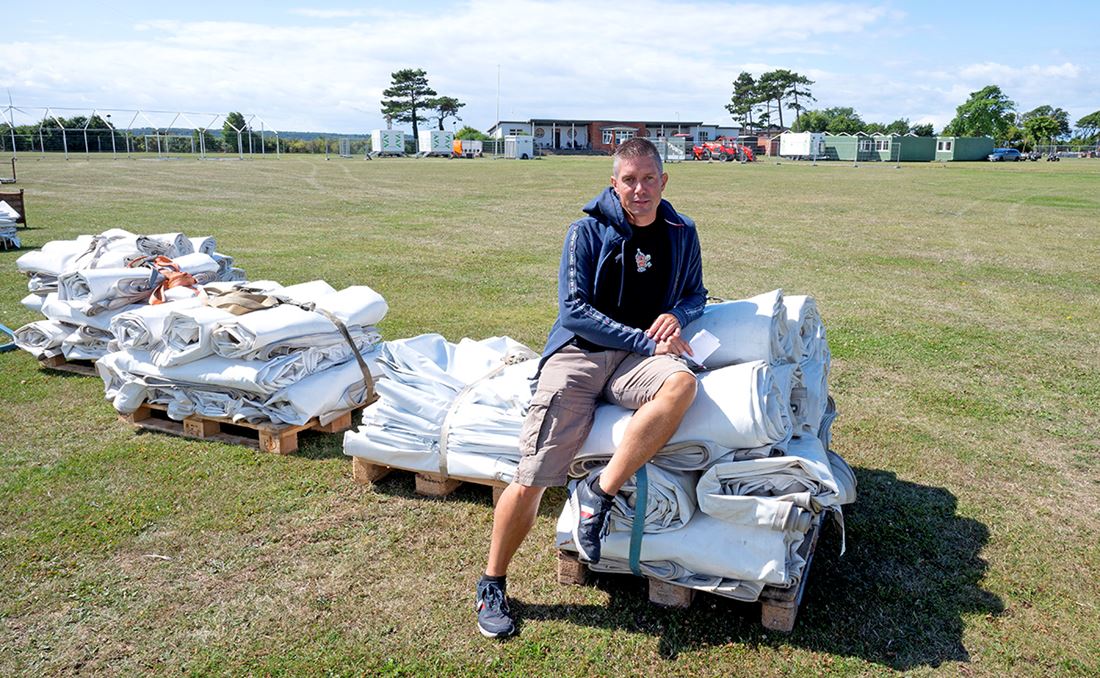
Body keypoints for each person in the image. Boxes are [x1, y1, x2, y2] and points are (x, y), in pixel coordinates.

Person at [476, 138, 707, 638]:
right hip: (580, 354)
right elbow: (574, 311)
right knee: (535, 474)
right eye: (630, 180)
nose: (640, 189)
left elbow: (696, 293)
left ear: (664, 181)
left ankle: (599, 493)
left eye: (650, 179)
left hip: (636, 358)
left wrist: (677, 315)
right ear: (614, 182)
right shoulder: (586, 231)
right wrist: (646, 341)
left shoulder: (682, 232)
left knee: (682, 385)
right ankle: (493, 581)